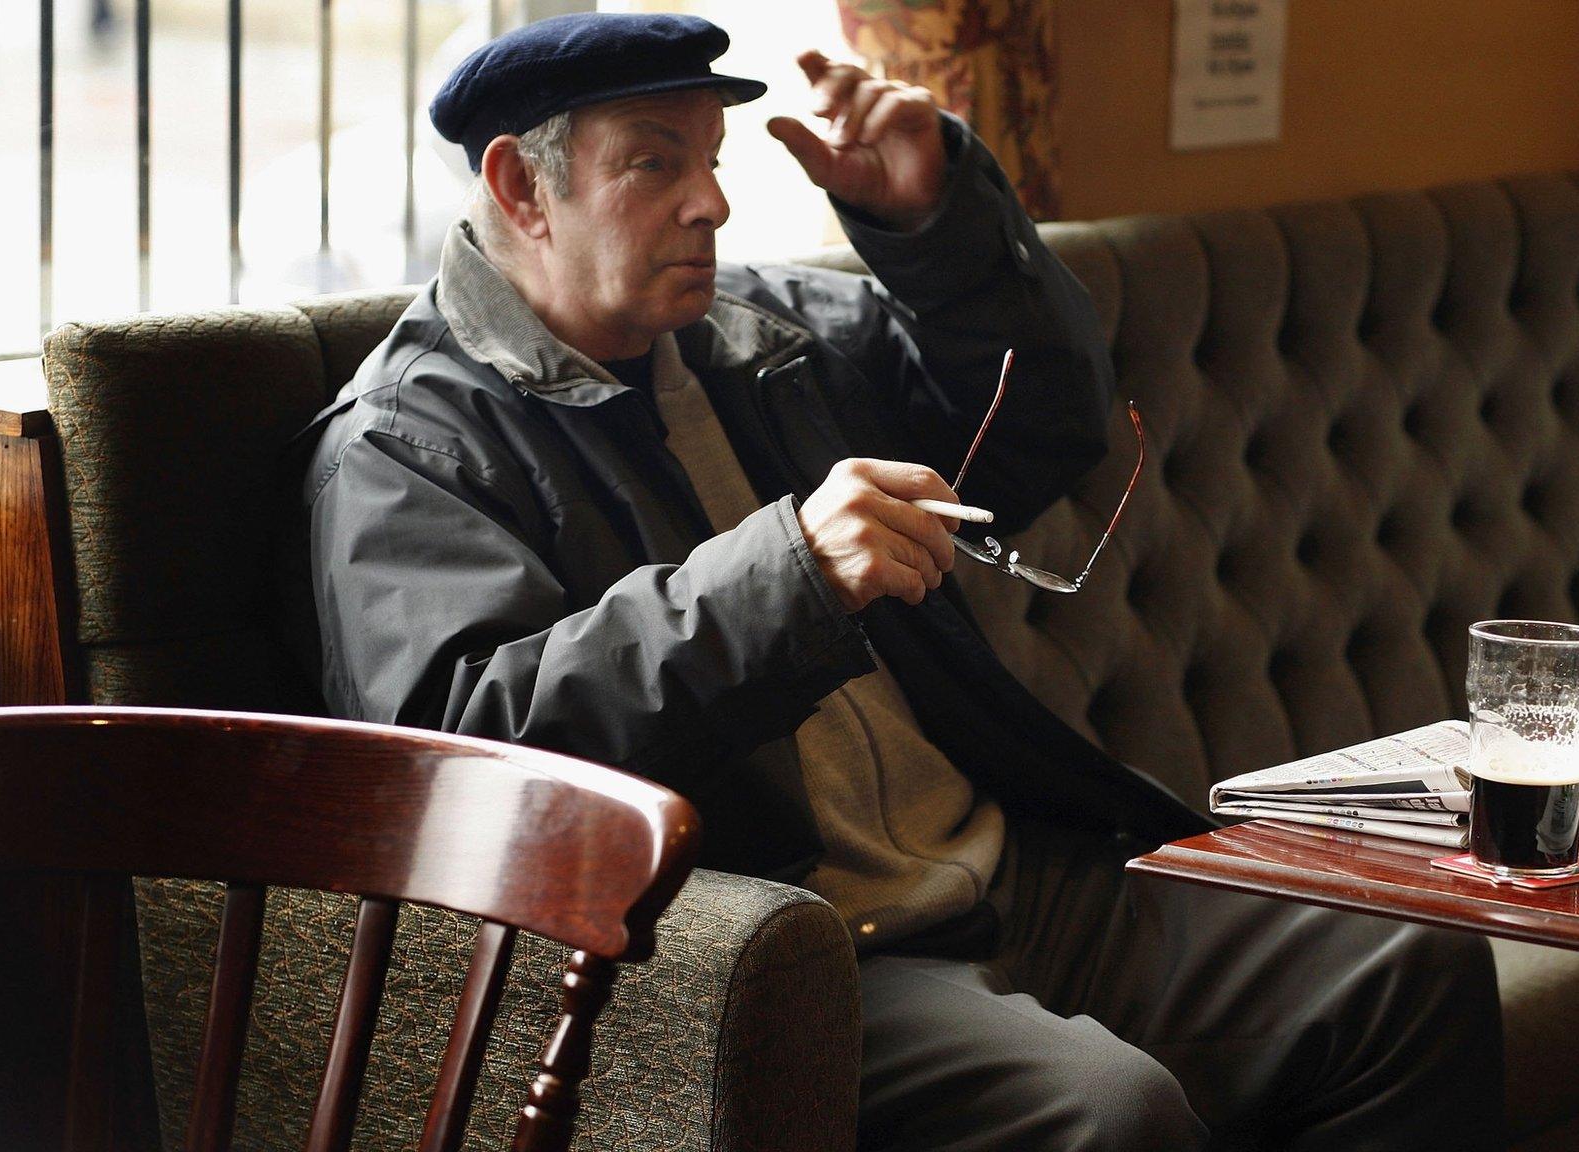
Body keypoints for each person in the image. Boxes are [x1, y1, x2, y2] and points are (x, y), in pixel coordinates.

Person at [296, 12, 1501, 1150]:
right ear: (519, 186)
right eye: (653, 165)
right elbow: (467, 756)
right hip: (768, 943)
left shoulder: (757, 335)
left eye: (711, 161)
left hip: (999, 867)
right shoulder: (408, 443)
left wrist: (936, 226)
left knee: (1406, 966)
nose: (709, 203)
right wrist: (789, 573)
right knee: (1105, 1114)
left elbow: (1035, 433)